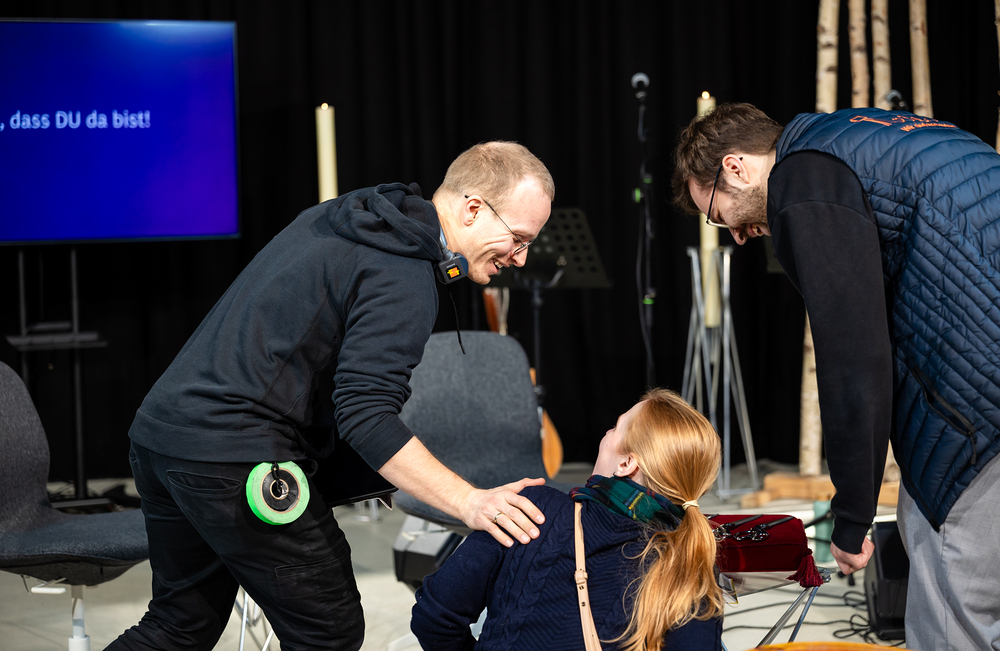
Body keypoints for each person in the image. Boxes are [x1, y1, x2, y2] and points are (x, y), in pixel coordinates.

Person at [108, 141, 555, 650]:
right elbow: (365, 414)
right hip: (231, 455)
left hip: (161, 437)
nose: (521, 258)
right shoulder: (403, 271)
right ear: (473, 209)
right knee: (328, 632)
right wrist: (470, 502)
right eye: (518, 238)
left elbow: (304, 364)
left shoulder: (354, 215)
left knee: (178, 625)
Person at [672, 102, 1000, 651]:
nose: (736, 235)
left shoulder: (805, 178)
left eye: (716, 213)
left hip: (977, 411)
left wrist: (850, 517)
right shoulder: (859, 135)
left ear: (735, 167)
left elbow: (853, 357)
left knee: (953, 616)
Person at [410, 388, 724, 651]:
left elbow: (433, 617)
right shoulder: (692, 563)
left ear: (627, 464)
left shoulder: (529, 510)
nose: (606, 433)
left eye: (615, 428)